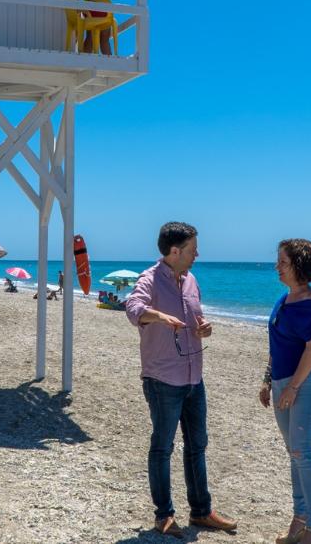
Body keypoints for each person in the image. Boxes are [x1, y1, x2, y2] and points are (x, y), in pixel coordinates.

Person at [124, 222, 236, 538]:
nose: (197, 254)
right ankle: (164, 516)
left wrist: (204, 328)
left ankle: (201, 512)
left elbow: (196, 318)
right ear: (175, 251)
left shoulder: (190, 280)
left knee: (197, 445)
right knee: (162, 447)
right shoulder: (150, 279)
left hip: (193, 377)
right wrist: (159, 316)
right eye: (191, 249)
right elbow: (133, 309)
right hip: (162, 379)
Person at [258, 239, 311, 544]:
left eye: (283, 262)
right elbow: (278, 345)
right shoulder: (284, 299)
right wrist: (268, 379)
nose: (277, 266)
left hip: (306, 384)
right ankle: (299, 521)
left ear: (298, 265)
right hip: (281, 383)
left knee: (303, 452)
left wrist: (291, 388)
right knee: (294, 455)